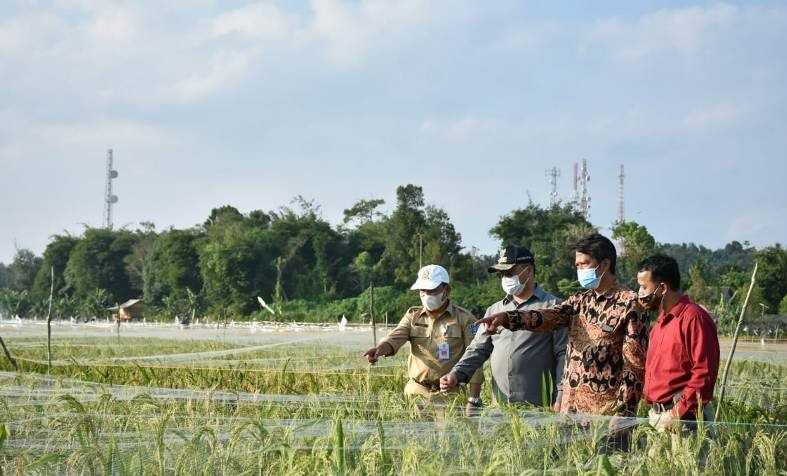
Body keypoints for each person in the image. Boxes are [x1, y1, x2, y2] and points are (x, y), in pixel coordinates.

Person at [478, 234, 648, 451]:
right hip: (572, 415)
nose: (579, 270)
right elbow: (548, 317)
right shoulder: (580, 301)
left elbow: (634, 366)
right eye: (577, 265)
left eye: (584, 264)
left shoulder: (630, 304)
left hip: (606, 417)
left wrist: (624, 413)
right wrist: (508, 318)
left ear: (605, 264)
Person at [440, 246, 568, 409]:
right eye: (501, 274)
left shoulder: (553, 307)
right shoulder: (494, 310)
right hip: (500, 408)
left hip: (539, 406)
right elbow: (478, 349)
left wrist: (561, 395)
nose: (504, 278)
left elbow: (563, 355)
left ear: (528, 271)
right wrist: (456, 374)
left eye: (509, 273)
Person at [363, 264, 483, 404]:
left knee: (452, 426)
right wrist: (379, 349)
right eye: (422, 290)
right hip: (416, 392)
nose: (426, 295)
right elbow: (395, 338)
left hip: (450, 394)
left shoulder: (465, 318)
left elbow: (475, 358)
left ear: (446, 290)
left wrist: (473, 398)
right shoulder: (412, 316)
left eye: (432, 290)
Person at [636, 254, 720, 432]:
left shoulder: (693, 318)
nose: (640, 293)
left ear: (663, 288)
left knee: (687, 461)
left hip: (685, 420)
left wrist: (677, 412)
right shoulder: (659, 323)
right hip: (658, 416)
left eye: (644, 287)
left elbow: (704, 373)